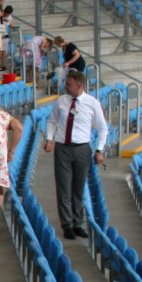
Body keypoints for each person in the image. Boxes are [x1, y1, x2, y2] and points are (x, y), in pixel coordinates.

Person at [43, 69, 107, 239]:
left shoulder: (92, 103)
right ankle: (67, 224)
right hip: (63, 148)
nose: (65, 86)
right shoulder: (62, 101)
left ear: (78, 86)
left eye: (68, 84)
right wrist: (49, 138)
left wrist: (100, 149)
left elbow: (102, 127)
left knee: (78, 188)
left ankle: (78, 222)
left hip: (82, 149)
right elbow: (52, 120)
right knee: (64, 188)